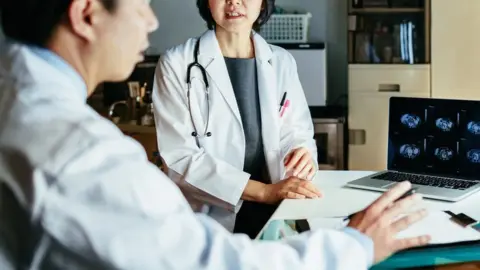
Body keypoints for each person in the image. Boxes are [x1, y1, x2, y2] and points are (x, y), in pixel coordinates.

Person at [0, 0, 431, 269]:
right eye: (141, 5)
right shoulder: (83, 153)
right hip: (213, 211)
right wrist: (353, 247)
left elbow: (295, 126)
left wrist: (300, 151)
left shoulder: (20, 102)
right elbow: (204, 251)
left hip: (277, 204)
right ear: (86, 13)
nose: (151, 21)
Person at [152, 0, 322, 238]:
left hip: (274, 212)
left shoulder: (281, 61)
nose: (234, 2)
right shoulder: (176, 63)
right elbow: (180, 158)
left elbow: (297, 132)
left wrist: (301, 153)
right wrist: (264, 192)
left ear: (263, 3)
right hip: (208, 218)